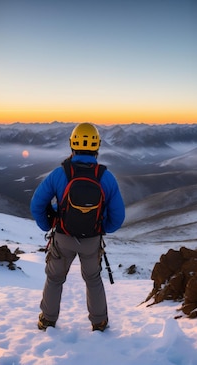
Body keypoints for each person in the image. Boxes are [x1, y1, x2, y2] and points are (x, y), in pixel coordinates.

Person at [30, 122, 125, 332]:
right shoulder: (106, 177)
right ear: (97, 146)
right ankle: (99, 322)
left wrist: (48, 223)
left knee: (55, 279)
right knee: (92, 279)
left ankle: (47, 320)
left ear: (72, 144)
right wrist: (102, 227)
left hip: (63, 237)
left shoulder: (59, 174)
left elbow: (37, 204)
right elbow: (118, 217)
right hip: (91, 240)